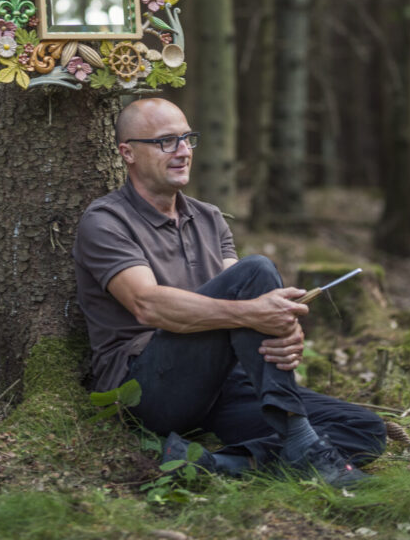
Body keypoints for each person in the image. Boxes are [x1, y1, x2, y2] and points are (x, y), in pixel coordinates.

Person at [73, 98, 386, 486]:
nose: (184, 151)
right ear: (128, 152)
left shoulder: (209, 218)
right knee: (257, 269)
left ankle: (220, 466)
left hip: (221, 384)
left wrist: (284, 330)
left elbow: (247, 304)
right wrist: (255, 314)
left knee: (363, 428)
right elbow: (148, 305)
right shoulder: (105, 221)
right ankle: (300, 440)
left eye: (188, 139)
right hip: (148, 387)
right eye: (166, 141)